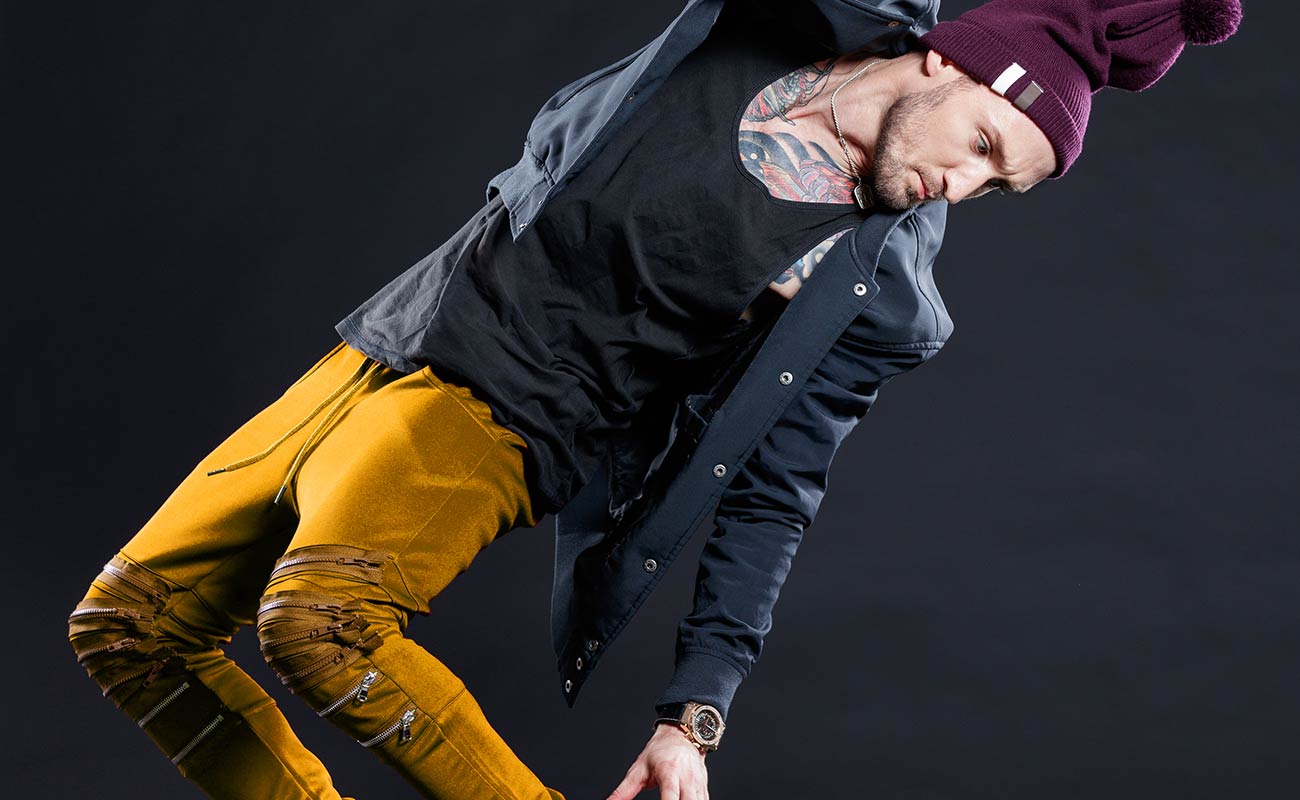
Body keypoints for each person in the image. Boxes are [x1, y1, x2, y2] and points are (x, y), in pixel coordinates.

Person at [66, 0, 1242, 798]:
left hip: (500, 417)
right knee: (127, 630)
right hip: (388, 339)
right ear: (946, 58)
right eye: (982, 142)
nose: (961, 185)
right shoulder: (780, 22)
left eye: (998, 185)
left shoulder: (872, 290)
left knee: (321, 623)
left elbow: (773, 494)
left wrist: (694, 716)